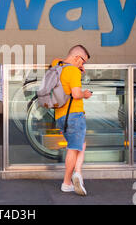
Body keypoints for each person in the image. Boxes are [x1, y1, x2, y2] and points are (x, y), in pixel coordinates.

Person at [51, 45, 92, 196]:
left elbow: (62, 59)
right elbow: (76, 94)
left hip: (60, 115)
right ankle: (69, 181)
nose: (83, 65)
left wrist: (76, 63)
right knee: (74, 147)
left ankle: (77, 173)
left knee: (80, 144)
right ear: (76, 57)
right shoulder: (73, 71)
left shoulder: (57, 65)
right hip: (74, 115)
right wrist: (85, 94)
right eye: (83, 61)